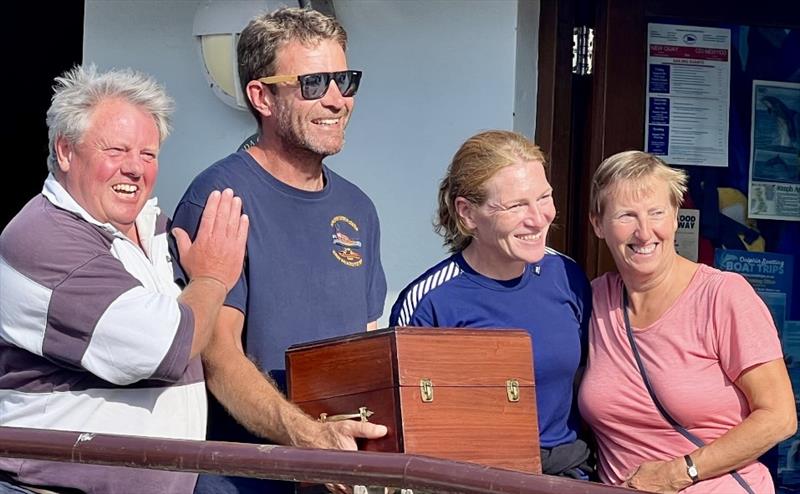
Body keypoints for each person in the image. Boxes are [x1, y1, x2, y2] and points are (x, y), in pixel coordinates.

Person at [0, 65, 248, 493]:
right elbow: (163, 348)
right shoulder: (43, 239)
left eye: (148, 155)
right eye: (116, 151)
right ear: (65, 151)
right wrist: (210, 278)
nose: (135, 169)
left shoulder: (156, 229)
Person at [170, 7, 388, 493]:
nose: (337, 100)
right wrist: (310, 439)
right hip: (242, 479)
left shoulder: (359, 208)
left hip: (338, 476)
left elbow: (367, 348)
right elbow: (216, 354)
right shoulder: (221, 199)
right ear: (261, 96)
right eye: (313, 84)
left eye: (345, 81)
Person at [578, 150, 797, 493]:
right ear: (597, 224)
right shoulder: (593, 300)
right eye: (626, 215)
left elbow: (779, 417)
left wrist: (678, 473)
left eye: (656, 213)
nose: (644, 232)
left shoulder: (722, 296)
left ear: (676, 216)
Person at [389, 130, 593, 479]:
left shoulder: (566, 275)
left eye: (544, 197)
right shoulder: (429, 301)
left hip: (565, 475)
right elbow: (405, 425)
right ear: (468, 213)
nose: (538, 218)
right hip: (475, 479)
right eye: (516, 205)